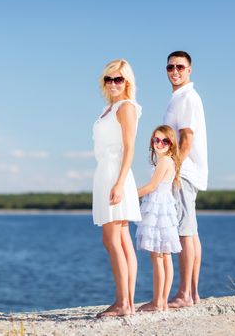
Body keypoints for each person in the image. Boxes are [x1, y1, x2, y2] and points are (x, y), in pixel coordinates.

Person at [92, 59, 142, 317]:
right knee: (121, 241)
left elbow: (130, 147)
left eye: (118, 79)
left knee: (112, 239)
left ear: (127, 82)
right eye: (108, 79)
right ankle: (127, 302)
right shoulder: (109, 108)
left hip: (115, 174)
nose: (113, 84)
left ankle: (123, 303)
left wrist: (120, 182)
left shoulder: (126, 107)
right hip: (105, 172)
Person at [163, 51, 208, 307]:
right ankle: (192, 292)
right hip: (186, 171)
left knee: (185, 232)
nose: (175, 71)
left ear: (190, 70)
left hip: (184, 172)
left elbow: (187, 139)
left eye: (180, 66)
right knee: (191, 232)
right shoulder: (178, 98)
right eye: (170, 67)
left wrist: (173, 169)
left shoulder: (188, 98)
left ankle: (184, 295)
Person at [135, 125, 182, 312]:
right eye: (156, 140)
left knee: (157, 256)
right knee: (165, 256)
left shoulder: (164, 163)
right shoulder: (169, 162)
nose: (159, 144)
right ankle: (162, 301)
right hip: (165, 209)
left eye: (164, 141)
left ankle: (157, 301)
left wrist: (130, 195)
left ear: (171, 144)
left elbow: (152, 186)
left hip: (158, 210)